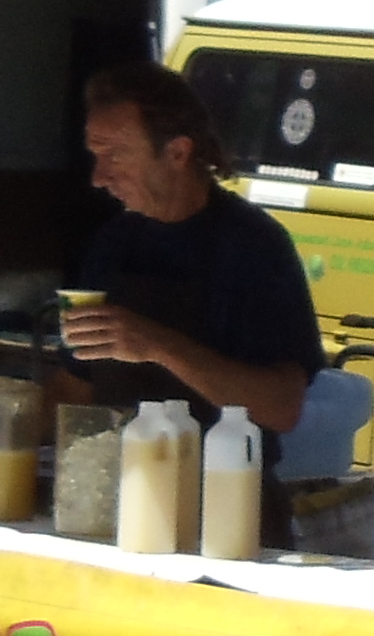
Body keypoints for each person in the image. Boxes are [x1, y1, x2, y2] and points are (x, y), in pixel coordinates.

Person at [53, 62, 321, 525]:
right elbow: (75, 387)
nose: (98, 176)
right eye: (95, 155)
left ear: (177, 152)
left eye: (116, 155)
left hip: (229, 512)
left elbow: (281, 407)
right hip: (122, 504)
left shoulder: (254, 247)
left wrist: (156, 344)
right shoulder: (113, 244)